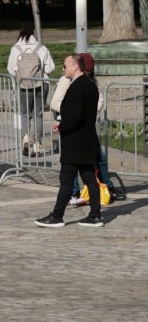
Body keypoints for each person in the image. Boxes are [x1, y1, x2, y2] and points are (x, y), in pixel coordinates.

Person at [36, 53, 105, 229]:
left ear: (75, 67)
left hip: (75, 143)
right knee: (89, 178)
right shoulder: (91, 86)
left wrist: (63, 126)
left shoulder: (77, 87)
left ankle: (57, 216)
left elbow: (74, 116)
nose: (63, 69)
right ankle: (95, 215)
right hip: (87, 140)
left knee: (66, 179)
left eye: (65, 66)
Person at [8, 22, 55, 154]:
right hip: (41, 83)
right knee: (38, 114)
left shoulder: (15, 49)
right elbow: (50, 67)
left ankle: (25, 138)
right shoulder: (41, 48)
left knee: (24, 114)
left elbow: (11, 69)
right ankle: (38, 143)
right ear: (33, 32)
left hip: (23, 85)